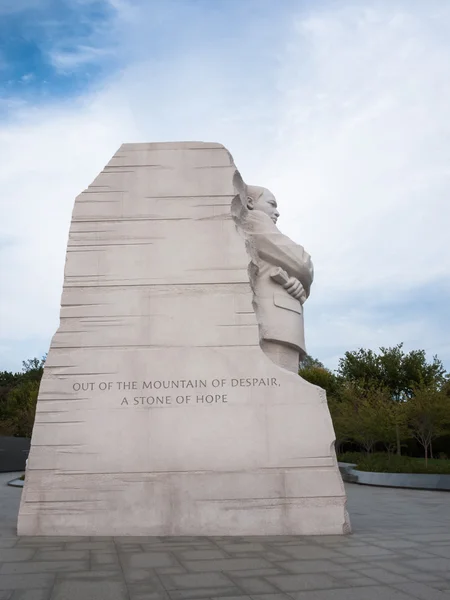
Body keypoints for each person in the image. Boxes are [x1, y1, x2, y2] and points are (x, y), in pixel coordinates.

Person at [233, 184, 314, 372]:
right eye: (272, 204)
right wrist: (302, 274)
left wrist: (299, 284)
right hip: (275, 319)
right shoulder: (253, 219)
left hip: (281, 316)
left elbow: (293, 268)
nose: (277, 213)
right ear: (250, 202)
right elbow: (302, 262)